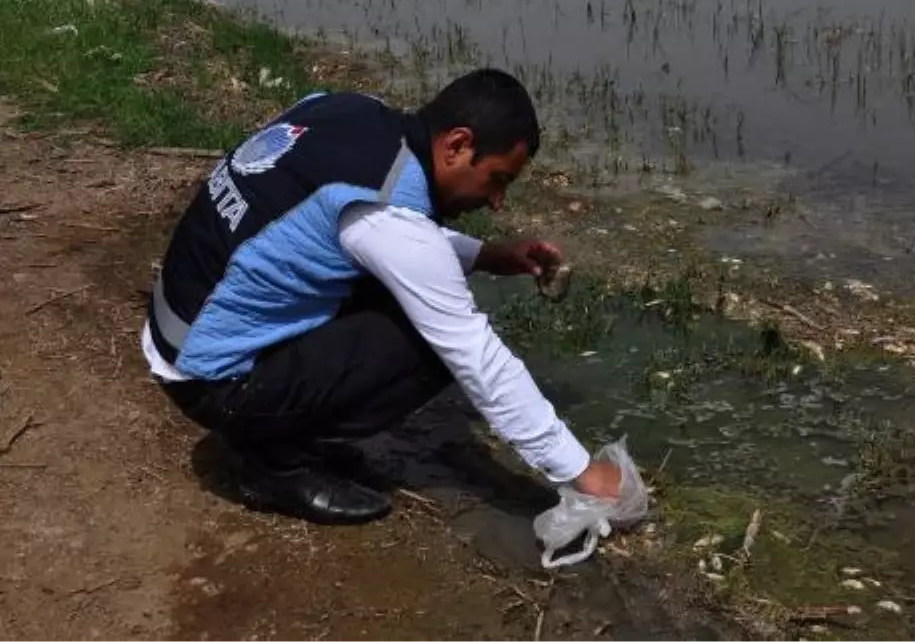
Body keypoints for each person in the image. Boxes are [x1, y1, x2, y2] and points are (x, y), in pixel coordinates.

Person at [140, 68, 623, 524]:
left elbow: (366, 233)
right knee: (432, 343)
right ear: (457, 145)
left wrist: (489, 256)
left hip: (180, 330)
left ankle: (280, 425)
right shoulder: (386, 212)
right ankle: (273, 463)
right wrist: (580, 472)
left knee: (400, 290)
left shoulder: (346, 110)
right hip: (213, 382)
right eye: (498, 180)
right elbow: (477, 356)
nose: (497, 202)